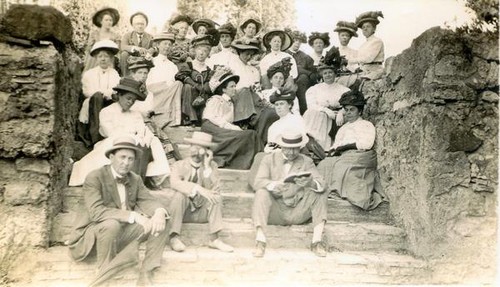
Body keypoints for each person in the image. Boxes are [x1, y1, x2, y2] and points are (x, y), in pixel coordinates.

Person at [67, 135, 170, 286]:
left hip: (120, 234)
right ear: (111, 156)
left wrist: (159, 212)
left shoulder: (135, 179)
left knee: (163, 221)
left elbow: (148, 200)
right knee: (111, 224)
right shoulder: (95, 177)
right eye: (122, 157)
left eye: (130, 159)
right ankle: (104, 274)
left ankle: (146, 273)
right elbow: (97, 212)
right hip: (92, 236)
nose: (126, 163)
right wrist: (133, 215)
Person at [69, 77, 170, 187]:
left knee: (152, 140)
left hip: (134, 143)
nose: (130, 102)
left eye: (133, 100)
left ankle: (156, 175)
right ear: (119, 95)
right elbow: (111, 133)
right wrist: (133, 136)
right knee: (127, 144)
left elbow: (142, 130)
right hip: (111, 143)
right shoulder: (106, 112)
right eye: (128, 98)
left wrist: (144, 137)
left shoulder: (135, 114)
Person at [151, 131, 234, 253]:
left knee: (215, 197)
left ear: (207, 151)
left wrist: (207, 167)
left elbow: (216, 189)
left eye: (201, 148)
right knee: (180, 195)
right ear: (190, 148)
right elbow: (174, 183)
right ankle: (173, 237)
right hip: (181, 212)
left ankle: (214, 239)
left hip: (203, 213)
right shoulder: (179, 165)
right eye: (194, 147)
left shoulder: (212, 166)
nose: (196, 151)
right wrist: (197, 188)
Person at [251, 130, 328, 258]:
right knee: (261, 193)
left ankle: (317, 242)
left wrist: (311, 183)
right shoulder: (268, 159)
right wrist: (273, 185)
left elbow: (322, 183)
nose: (291, 153)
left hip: (298, 211)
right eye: (287, 149)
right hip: (275, 212)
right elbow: (258, 182)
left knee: (320, 192)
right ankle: (260, 241)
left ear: (300, 148)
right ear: (281, 146)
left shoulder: (306, 161)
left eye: (295, 149)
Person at [317, 90, 386, 210]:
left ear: (359, 111)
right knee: (325, 164)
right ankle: (328, 192)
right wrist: (332, 151)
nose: (348, 113)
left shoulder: (366, 125)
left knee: (342, 166)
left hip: (362, 155)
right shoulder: (343, 128)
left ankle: (341, 193)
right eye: (346, 110)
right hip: (345, 155)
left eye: (352, 110)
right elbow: (337, 144)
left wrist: (344, 147)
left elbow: (366, 144)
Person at [201, 68, 262, 169]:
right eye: (231, 86)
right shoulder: (216, 99)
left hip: (222, 129)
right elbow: (211, 117)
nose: (234, 88)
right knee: (249, 134)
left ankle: (256, 161)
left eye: (235, 86)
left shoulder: (230, 103)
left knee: (251, 134)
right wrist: (234, 128)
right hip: (211, 129)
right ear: (224, 89)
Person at [303, 47, 350, 151]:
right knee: (312, 113)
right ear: (322, 75)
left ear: (335, 74)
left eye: (330, 72)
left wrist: (342, 112)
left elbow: (349, 104)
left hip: (337, 119)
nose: (328, 75)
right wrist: (325, 110)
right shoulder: (314, 89)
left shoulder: (344, 90)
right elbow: (311, 105)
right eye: (325, 73)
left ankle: (325, 149)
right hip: (320, 117)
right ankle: (313, 143)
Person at [78, 39, 120, 147]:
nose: (103, 59)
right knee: (97, 97)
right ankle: (96, 137)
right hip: (94, 102)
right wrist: (100, 94)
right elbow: (86, 91)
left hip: (108, 101)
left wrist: (106, 94)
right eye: (100, 56)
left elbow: (115, 88)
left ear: (111, 58)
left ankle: (109, 135)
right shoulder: (89, 74)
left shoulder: (114, 73)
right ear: (96, 58)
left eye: (106, 56)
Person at [146, 31, 183, 128]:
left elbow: (173, 85)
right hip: (154, 93)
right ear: (158, 45)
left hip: (168, 94)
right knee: (176, 84)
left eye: (169, 44)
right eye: (164, 44)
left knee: (178, 84)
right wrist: (164, 85)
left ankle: (174, 119)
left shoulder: (173, 66)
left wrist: (168, 85)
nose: (167, 46)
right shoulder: (152, 61)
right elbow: (148, 83)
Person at [285, 28, 317, 115]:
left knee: (303, 78)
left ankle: (305, 112)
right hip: (287, 81)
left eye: (299, 41)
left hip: (303, 84)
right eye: (295, 40)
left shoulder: (305, 56)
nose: (297, 43)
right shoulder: (284, 54)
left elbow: (313, 72)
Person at [83, 7, 121, 71]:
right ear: (101, 21)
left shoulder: (115, 36)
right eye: (106, 20)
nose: (109, 22)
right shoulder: (94, 34)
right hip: (95, 59)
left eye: (110, 20)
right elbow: (89, 49)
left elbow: (118, 50)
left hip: (109, 59)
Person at [351, 11, 385, 80]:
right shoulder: (363, 45)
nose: (365, 29)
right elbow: (359, 59)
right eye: (363, 27)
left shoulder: (377, 41)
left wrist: (351, 60)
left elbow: (369, 59)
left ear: (374, 28)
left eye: (368, 26)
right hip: (364, 70)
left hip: (375, 71)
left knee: (356, 83)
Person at [120, 12, 154, 76]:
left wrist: (150, 51)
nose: (140, 26)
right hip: (131, 60)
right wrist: (136, 48)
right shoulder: (127, 35)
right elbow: (123, 46)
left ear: (146, 25)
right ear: (133, 25)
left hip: (145, 60)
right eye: (137, 24)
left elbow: (155, 47)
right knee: (124, 54)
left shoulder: (150, 37)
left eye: (142, 24)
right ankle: (126, 78)